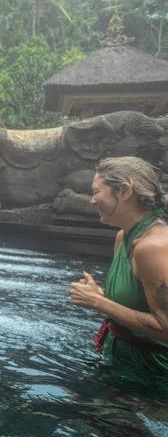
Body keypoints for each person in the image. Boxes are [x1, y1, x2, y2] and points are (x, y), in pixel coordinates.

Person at [70, 156, 168, 382]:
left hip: (153, 377)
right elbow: (134, 304)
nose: (92, 201)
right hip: (122, 365)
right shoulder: (123, 237)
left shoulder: (152, 247)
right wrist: (99, 295)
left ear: (124, 191)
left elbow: (165, 328)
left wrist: (98, 302)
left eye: (96, 192)